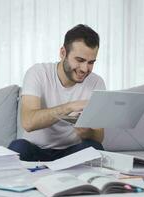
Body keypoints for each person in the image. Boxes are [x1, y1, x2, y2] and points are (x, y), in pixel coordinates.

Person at [8, 24, 106, 161]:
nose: (85, 69)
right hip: (36, 149)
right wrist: (69, 107)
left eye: (91, 62)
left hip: (72, 151)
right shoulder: (37, 73)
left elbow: (99, 136)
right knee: (17, 148)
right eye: (80, 60)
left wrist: (87, 132)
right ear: (63, 53)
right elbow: (28, 123)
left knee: (95, 148)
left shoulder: (96, 82)